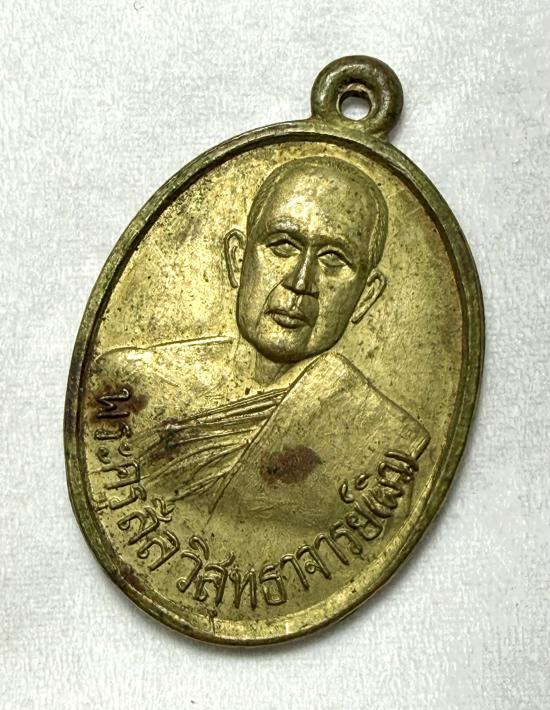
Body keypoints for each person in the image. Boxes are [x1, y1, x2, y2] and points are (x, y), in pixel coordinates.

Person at [91, 156, 429, 540]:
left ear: (365, 296)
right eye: (283, 245)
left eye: (333, 258)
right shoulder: (129, 385)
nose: (300, 281)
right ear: (238, 259)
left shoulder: (384, 443)